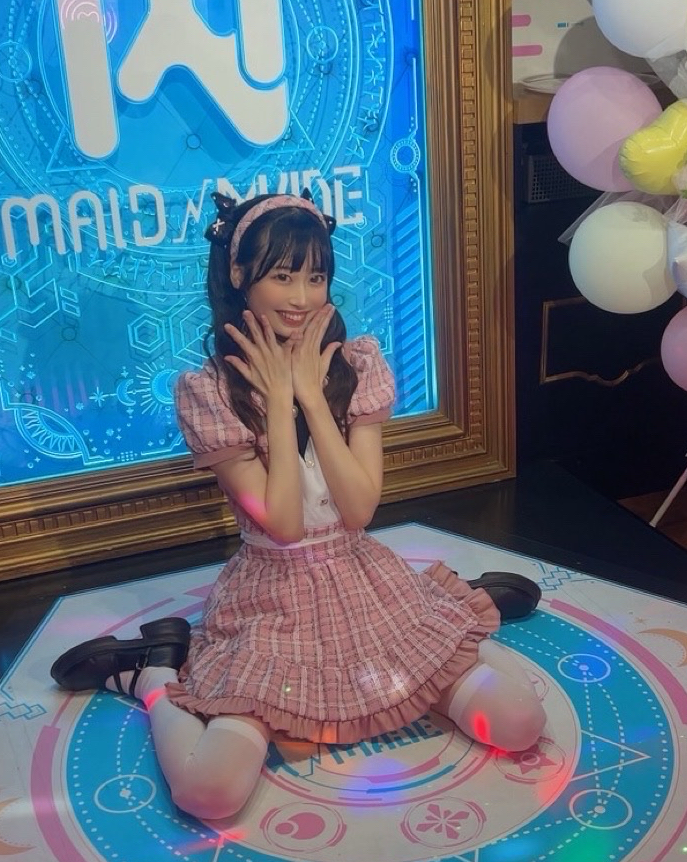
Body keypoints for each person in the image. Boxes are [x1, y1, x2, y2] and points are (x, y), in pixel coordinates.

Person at [52, 190, 545, 822]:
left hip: (367, 585)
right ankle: (154, 672)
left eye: (316, 277)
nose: (302, 297)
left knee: (520, 723)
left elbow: (359, 510)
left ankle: (446, 609)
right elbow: (283, 524)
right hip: (273, 605)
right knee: (209, 793)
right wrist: (280, 403)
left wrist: (312, 396)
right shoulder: (209, 391)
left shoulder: (356, 363)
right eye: (282, 276)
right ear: (239, 274)